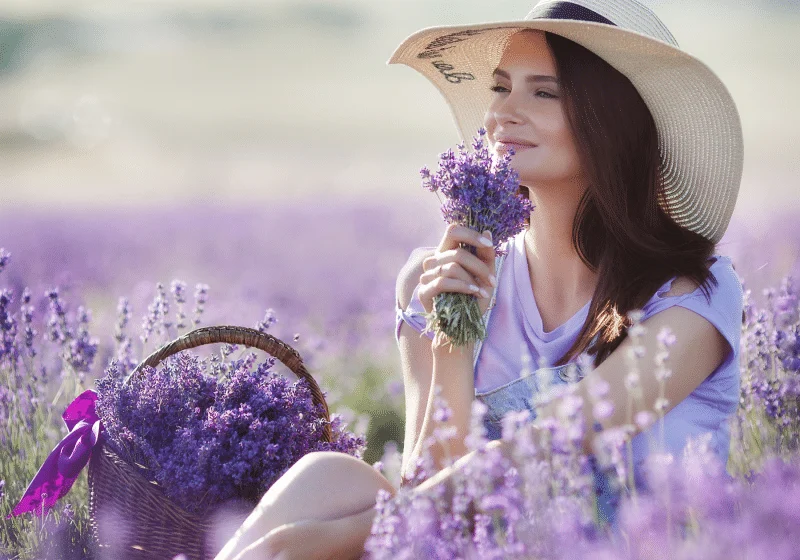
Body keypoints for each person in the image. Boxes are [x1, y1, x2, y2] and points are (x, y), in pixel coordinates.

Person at [214, 1, 745, 558]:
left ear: (609, 121)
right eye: (500, 88)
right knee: (331, 477)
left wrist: (322, 541)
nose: (503, 114)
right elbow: (430, 509)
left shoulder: (690, 295)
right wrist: (452, 341)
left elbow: (552, 446)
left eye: (544, 93)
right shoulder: (435, 276)